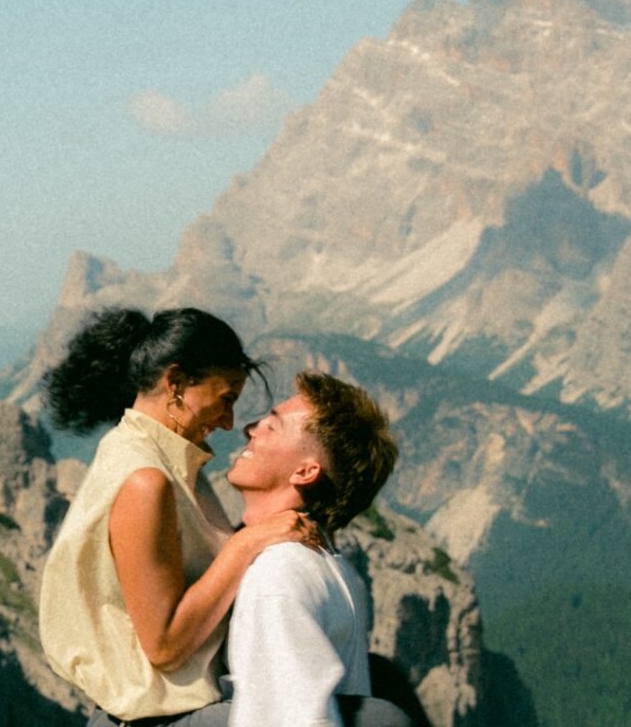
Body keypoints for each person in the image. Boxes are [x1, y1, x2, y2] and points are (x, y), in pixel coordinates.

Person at [37, 306, 308, 723]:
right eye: (226, 399)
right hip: (158, 720)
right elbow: (163, 647)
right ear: (176, 383)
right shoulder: (147, 481)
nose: (231, 420)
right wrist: (245, 544)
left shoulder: (169, 463)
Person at [215, 374, 412, 727]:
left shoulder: (278, 575)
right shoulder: (329, 564)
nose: (250, 429)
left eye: (271, 427)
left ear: (305, 471)